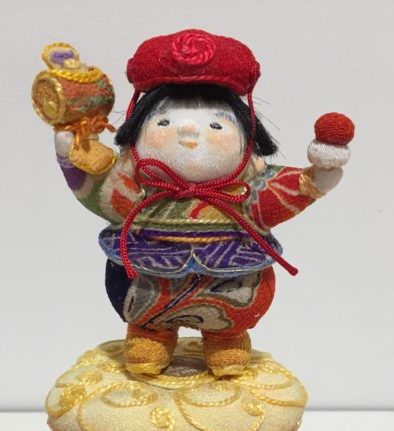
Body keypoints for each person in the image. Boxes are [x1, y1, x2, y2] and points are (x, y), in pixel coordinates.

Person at [53, 30, 350, 375]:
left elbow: (281, 193)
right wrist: (73, 155)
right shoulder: (139, 190)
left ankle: (227, 339)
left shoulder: (243, 193)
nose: (189, 133)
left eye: (215, 125)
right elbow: (104, 192)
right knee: (144, 310)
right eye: (164, 122)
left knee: (235, 311)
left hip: (234, 276)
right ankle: (149, 335)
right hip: (148, 277)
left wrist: (318, 176)